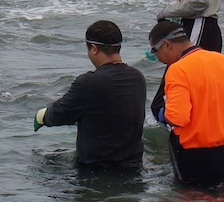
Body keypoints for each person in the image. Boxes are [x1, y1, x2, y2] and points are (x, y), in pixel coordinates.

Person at [33, 20, 146, 169]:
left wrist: (42, 116)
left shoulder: (88, 82)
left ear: (93, 48)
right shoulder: (138, 78)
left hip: (96, 170)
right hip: (134, 166)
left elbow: (61, 114)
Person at [148, 21, 224, 186]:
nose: (158, 59)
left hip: (195, 156)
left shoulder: (178, 69)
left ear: (166, 45)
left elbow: (178, 118)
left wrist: (163, 114)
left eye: (155, 52)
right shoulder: (223, 60)